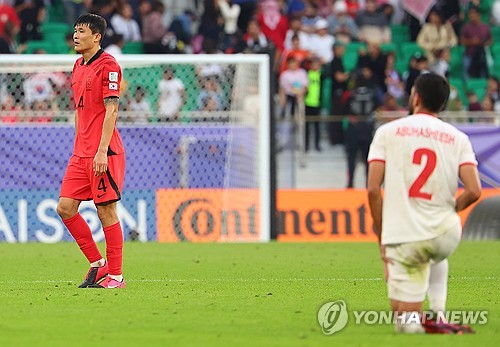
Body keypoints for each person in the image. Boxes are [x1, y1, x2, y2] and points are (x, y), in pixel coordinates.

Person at [367, 73, 481, 334]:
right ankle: (438, 313)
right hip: (445, 233)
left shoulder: (387, 132)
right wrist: (452, 208)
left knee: (403, 323)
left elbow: (373, 189)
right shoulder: (458, 137)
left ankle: (419, 322)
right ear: (442, 105)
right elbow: (474, 191)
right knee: (433, 248)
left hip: (406, 237)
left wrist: (382, 234)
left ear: (415, 97)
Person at [56, 14, 126, 289]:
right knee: (65, 208)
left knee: (106, 210)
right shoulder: (77, 66)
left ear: (96, 36)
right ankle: (98, 265)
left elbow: (112, 109)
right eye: (74, 30)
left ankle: (117, 277)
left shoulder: (108, 66)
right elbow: (79, 110)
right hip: (81, 152)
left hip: (103, 152)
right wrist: (79, 145)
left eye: (81, 31)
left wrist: (100, 151)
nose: (75, 35)